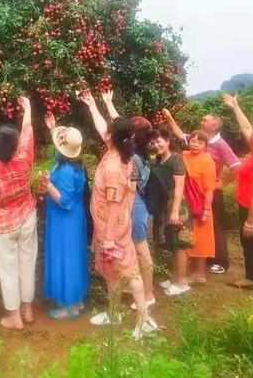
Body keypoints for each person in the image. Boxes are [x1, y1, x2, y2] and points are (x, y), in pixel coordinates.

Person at [80, 90, 157, 340]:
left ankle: (143, 318)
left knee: (130, 273)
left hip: (112, 228)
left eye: (108, 131)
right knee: (113, 272)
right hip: (114, 224)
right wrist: (93, 105)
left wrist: (109, 237)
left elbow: (114, 205)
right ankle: (114, 312)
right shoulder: (123, 153)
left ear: (112, 136)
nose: (105, 132)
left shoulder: (114, 165)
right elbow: (131, 191)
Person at [0, 96, 36, 330]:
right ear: (15, 144)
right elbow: (28, 130)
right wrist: (28, 107)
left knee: (8, 270)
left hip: (2, 226)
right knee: (27, 263)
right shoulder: (25, 157)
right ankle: (28, 310)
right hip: (27, 216)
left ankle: (14, 317)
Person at [163, 109, 241, 274]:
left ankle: (219, 261)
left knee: (214, 227)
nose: (201, 121)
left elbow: (236, 167)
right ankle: (195, 258)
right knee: (195, 227)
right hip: (192, 194)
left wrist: (222, 184)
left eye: (205, 119)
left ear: (214, 125)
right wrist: (169, 117)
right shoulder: (196, 141)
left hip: (209, 192)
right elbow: (179, 135)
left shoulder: (220, 145)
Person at [101, 91, 155, 309]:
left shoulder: (132, 159)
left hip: (132, 207)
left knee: (140, 251)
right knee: (133, 251)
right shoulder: (137, 150)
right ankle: (140, 291)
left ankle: (147, 294)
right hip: (134, 205)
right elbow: (121, 126)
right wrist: (107, 102)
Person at [40, 112, 89, 319]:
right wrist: (53, 127)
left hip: (65, 219)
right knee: (73, 257)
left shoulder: (68, 171)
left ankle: (69, 306)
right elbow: (61, 150)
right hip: (70, 219)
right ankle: (76, 301)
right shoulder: (70, 163)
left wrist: (48, 185)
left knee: (65, 258)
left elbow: (65, 201)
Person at [222, 94, 253, 297]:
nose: (249, 133)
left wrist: (251, 221)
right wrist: (236, 107)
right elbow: (246, 127)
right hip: (245, 207)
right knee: (248, 244)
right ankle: (251, 278)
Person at [148, 128, 190, 296]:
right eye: (153, 142)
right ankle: (175, 278)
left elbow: (180, 187)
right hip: (166, 207)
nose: (156, 145)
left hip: (180, 209)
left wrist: (175, 210)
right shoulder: (158, 160)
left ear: (168, 141)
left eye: (159, 141)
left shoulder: (176, 159)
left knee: (181, 245)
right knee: (173, 244)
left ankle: (182, 282)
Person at [182, 131, 217, 284]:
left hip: (200, 206)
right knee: (186, 237)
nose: (195, 144)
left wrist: (206, 210)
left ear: (205, 146)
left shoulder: (208, 161)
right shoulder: (183, 155)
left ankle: (199, 273)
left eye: (200, 142)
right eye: (193, 141)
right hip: (185, 205)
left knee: (202, 240)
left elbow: (209, 189)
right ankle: (187, 270)